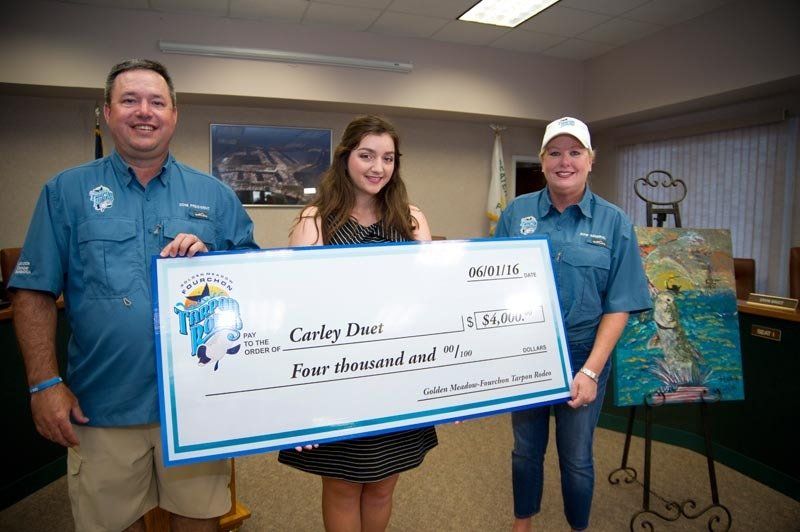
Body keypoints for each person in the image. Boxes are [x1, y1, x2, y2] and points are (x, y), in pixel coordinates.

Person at [8, 59, 258, 532]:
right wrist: (43, 384)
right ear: (106, 112)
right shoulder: (66, 192)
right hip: (102, 405)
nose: (144, 111)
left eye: (156, 101)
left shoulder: (216, 196)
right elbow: (33, 291)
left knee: (199, 520)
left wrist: (212, 267)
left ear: (174, 114)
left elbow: (254, 285)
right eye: (129, 100)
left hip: (194, 402)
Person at [277, 115, 437, 532]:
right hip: (337, 377)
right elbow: (298, 315)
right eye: (366, 155)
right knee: (344, 486)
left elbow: (432, 304)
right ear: (346, 157)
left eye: (387, 158)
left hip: (397, 374)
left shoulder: (412, 221)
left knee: (384, 484)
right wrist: (303, 398)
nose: (377, 168)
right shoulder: (315, 222)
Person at [495, 117, 651, 531]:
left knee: (576, 456)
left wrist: (591, 371)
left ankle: (577, 527)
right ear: (543, 161)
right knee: (525, 449)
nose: (565, 161)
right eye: (555, 152)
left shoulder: (614, 222)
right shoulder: (516, 213)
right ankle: (522, 522)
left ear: (590, 160)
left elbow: (619, 305)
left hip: (585, 356)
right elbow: (489, 287)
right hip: (526, 355)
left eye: (574, 152)